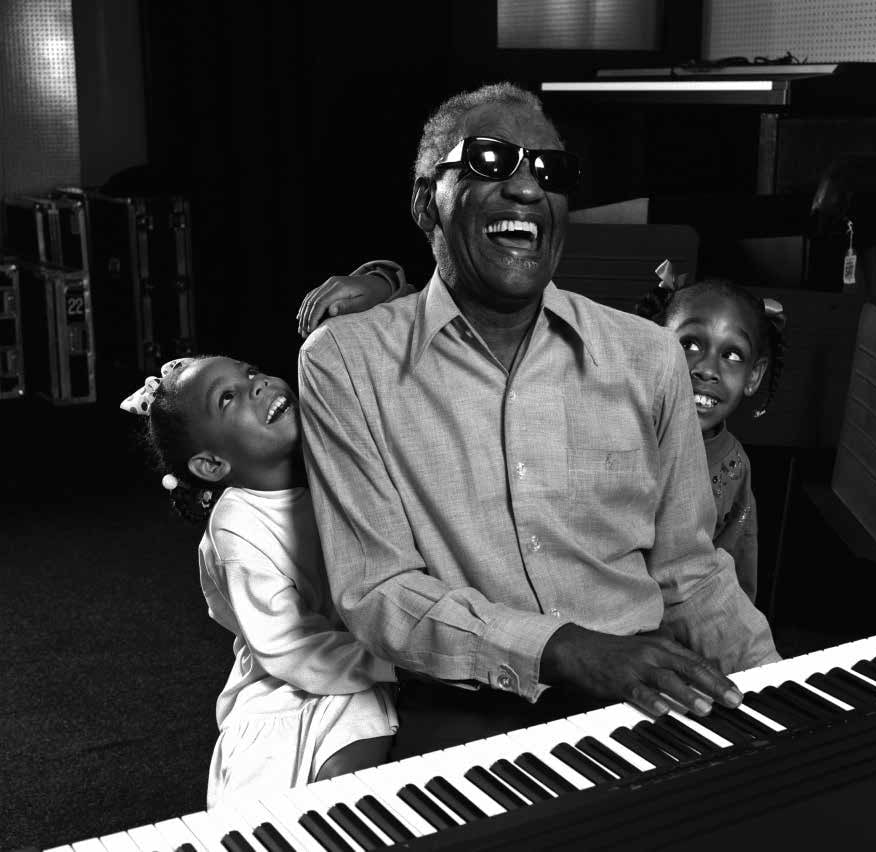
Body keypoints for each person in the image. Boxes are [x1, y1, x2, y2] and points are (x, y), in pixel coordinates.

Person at [297, 81, 780, 760]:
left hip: (640, 691)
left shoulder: (647, 357)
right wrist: (563, 650)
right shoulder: (346, 364)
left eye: (551, 172)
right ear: (424, 201)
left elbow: (689, 571)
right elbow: (377, 591)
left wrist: (782, 688)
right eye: (490, 161)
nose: (527, 189)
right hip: (468, 710)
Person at [119, 286, 404, 806]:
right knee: (261, 792)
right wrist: (399, 660)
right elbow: (288, 647)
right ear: (211, 466)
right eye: (227, 398)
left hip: (359, 651)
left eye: (250, 373)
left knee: (358, 742)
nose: (257, 385)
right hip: (288, 672)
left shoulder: (327, 447)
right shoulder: (236, 526)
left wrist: (378, 286)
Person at [635, 265, 788, 604]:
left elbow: (735, 577)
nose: (706, 368)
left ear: (753, 376)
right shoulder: (619, 433)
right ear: (652, 343)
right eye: (689, 344)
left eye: (732, 355)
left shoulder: (734, 468)